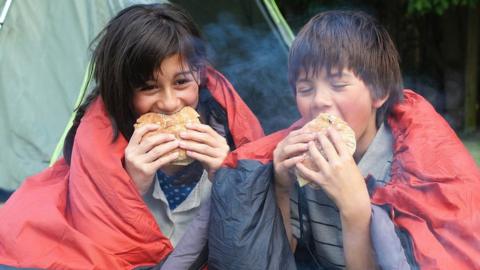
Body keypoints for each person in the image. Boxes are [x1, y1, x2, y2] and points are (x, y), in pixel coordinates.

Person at [207, 10, 480, 270]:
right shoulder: (302, 163)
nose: (320, 101)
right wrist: (280, 185)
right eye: (305, 88)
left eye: (338, 85)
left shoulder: (406, 170)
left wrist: (355, 210)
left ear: (380, 92)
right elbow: (280, 259)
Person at [0, 3, 263, 269]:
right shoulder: (100, 155)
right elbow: (93, 248)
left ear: (199, 73)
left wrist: (230, 180)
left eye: (181, 82)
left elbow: (262, 246)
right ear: (123, 92)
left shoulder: (229, 140)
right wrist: (127, 188)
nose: (170, 103)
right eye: (149, 88)